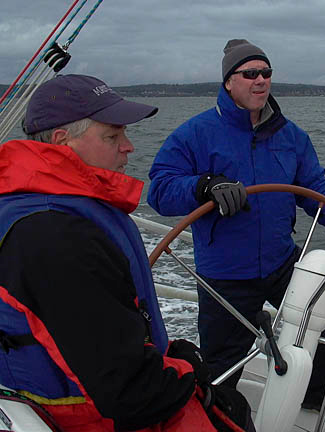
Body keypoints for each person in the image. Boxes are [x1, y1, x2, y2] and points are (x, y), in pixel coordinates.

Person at [0, 74, 253, 432]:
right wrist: (189, 371)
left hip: (70, 395)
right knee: (234, 413)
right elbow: (129, 392)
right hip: (96, 418)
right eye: (112, 136)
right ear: (62, 141)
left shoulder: (30, 206)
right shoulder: (58, 237)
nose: (129, 146)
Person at [147, 39, 325, 420]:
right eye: (250, 73)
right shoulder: (195, 134)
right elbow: (160, 190)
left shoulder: (291, 136)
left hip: (280, 259)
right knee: (224, 363)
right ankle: (223, 421)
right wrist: (204, 186)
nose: (260, 81)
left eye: (266, 73)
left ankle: (313, 396)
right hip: (225, 271)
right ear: (228, 82)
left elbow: (314, 186)